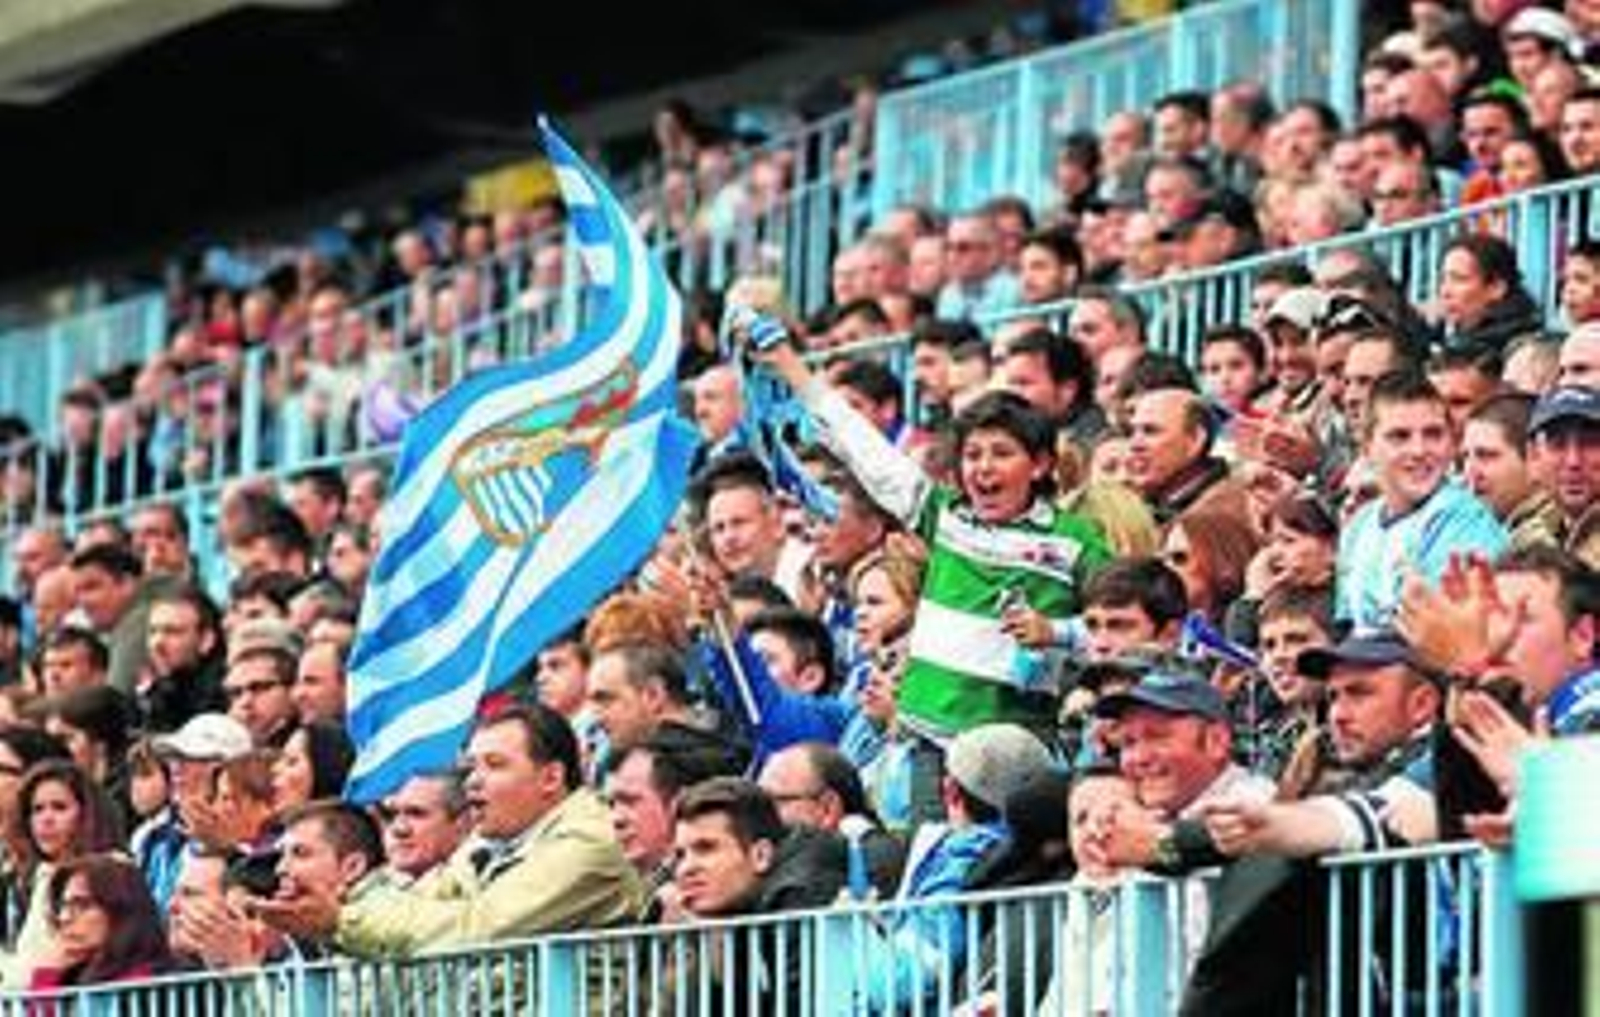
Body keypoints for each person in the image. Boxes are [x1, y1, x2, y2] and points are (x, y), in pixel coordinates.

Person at [733, 308, 1109, 821]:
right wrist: (788, 365)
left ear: (1040, 464)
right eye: (973, 454)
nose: (983, 468)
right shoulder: (945, 516)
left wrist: (1058, 632)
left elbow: (1125, 628)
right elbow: (861, 446)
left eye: (1001, 453)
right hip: (925, 746)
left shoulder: (1076, 542)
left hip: (1010, 753)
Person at [255, 704, 642, 956]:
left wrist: (341, 920)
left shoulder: (588, 839)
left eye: (494, 765)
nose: (473, 782)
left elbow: (478, 929)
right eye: (472, 767)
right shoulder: (483, 846)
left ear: (551, 777)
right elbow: (418, 901)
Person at [1336, 370, 1507, 630]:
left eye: (1433, 434)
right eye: (1399, 437)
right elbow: (1347, 629)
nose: (1419, 451)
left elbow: (1438, 640)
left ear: (1452, 443)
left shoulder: (1467, 521)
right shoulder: (1358, 525)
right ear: (1367, 448)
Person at [28, 853, 172, 991]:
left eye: (82, 905)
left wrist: (47, 977)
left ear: (121, 911)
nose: (64, 917)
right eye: (63, 906)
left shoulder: (148, 984)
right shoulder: (74, 973)